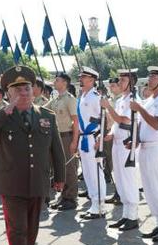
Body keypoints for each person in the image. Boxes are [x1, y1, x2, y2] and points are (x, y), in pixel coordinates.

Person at [0, 65, 65, 245]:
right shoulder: (1, 116)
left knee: (31, 229)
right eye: (17, 90)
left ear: (33, 90)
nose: (23, 93)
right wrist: (3, 113)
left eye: (27, 88)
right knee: (17, 229)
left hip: (37, 180)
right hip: (11, 183)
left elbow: (56, 149)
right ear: (9, 94)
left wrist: (60, 177)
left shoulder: (47, 116)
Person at [130, 66, 158, 242]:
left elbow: (157, 124)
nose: (150, 79)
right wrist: (135, 140)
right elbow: (142, 125)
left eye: (154, 76)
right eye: (149, 75)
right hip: (145, 148)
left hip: (157, 148)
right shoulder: (149, 100)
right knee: (148, 189)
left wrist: (140, 109)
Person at [101, 69, 140, 231]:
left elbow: (123, 119)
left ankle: (133, 216)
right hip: (117, 142)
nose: (119, 83)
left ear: (131, 82)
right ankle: (126, 214)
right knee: (120, 180)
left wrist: (108, 107)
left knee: (128, 180)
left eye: (123, 80)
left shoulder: (132, 100)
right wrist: (110, 134)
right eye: (120, 80)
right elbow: (117, 124)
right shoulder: (121, 99)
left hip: (126, 144)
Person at [45, 72, 80, 211]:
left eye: (57, 80)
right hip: (57, 137)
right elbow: (42, 109)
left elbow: (76, 121)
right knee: (60, 167)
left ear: (64, 83)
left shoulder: (69, 99)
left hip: (67, 136)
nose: (54, 81)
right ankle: (63, 196)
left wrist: (74, 141)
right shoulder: (56, 99)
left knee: (69, 168)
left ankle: (71, 198)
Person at [77, 66, 106, 219]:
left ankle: (100, 205)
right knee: (87, 173)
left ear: (92, 79)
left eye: (83, 77)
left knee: (96, 172)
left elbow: (104, 118)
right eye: (80, 76)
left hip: (93, 137)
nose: (80, 79)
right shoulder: (83, 96)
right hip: (84, 137)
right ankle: (94, 203)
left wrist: (101, 136)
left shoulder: (95, 97)